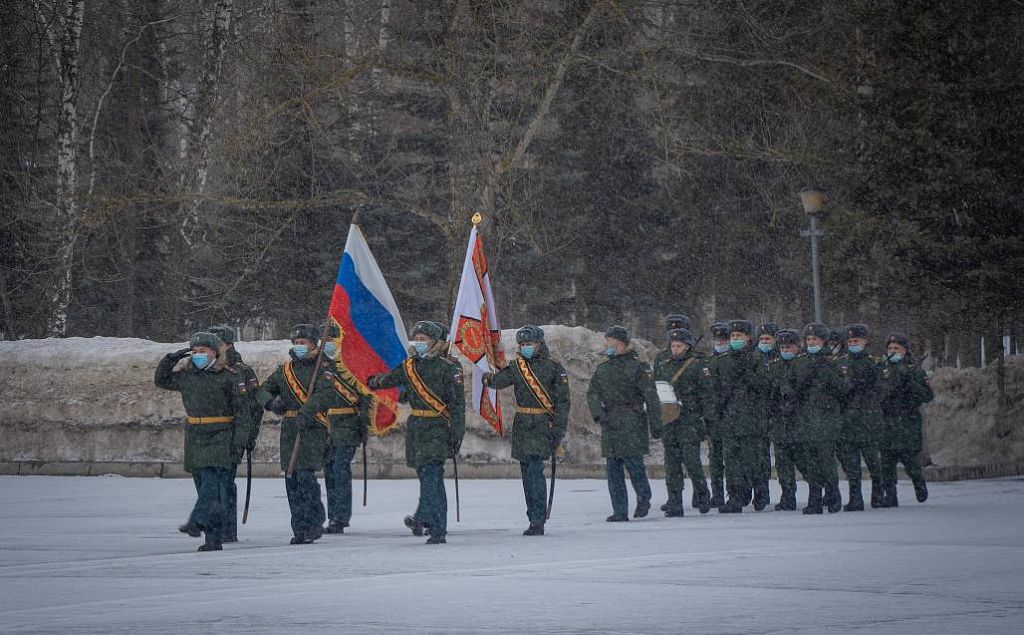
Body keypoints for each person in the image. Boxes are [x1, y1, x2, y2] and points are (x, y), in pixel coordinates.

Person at [154, 331, 254, 551]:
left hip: (220, 434)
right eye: (195, 351)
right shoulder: (187, 376)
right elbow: (160, 380)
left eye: (203, 351)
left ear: (215, 353)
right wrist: (171, 358)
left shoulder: (229, 376)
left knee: (210, 483)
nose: (198, 355)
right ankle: (213, 538)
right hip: (195, 435)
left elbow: (243, 413)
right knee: (206, 489)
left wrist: (239, 443)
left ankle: (197, 520)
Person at [368, 321, 465, 544]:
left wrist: (456, 435)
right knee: (427, 478)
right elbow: (391, 378)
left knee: (431, 477)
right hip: (417, 429)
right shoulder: (410, 364)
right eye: (417, 339)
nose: (419, 343)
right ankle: (432, 521)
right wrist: (375, 381)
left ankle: (429, 521)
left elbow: (457, 406)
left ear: (435, 341)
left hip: (438, 428)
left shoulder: (449, 367)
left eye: (424, 339)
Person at [483, 325, 571, 535]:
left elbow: (563, 401)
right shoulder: (516, 367)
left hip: (543, 424)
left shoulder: (554, 368)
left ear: (540, 344)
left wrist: (558, 430)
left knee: (534, 472)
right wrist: (486, 374)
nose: (526, 347)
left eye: (529, 344)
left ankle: (537, 518)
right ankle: (533, 515)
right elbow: (497, 382)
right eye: (522, 344)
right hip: (523, 424)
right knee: (527, 473)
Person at [256, 324, 331, 545]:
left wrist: (307, 411)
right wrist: (271, 403)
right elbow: (263, 389)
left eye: (303, 343)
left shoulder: (324, 367)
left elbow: (324, 395)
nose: (299, 347)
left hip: (312, 427)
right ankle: (299, 528)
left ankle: (313, 523)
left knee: (305, 476)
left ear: (313, 344)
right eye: (296, 343)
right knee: (291, 478)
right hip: (290, 428)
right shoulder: (285, 370)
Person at [300, 326, 373, 534]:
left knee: (340, 469)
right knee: (330, 470)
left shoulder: (351, 364)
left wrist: (364, 423)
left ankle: (340, 517)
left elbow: (365, 395)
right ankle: (332, 515)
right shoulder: (318, 366)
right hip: (324, 424)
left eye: (332, 339)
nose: (328, 343)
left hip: (347, 423)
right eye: (325, 339)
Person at [586, 325, 662, 522]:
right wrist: (598, 414)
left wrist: (656, 424)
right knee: (613, 470)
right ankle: (620, 510)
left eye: (609, 343)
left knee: (634, 465)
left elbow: (651, 397)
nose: (606, 347)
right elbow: (593, 393)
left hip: (632, 421)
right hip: (610, 421)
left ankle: (644, 497)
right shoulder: (603, 369)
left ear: (620, 344)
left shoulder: (639, 367)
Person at [206, 324, 262, 542]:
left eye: (216, 344)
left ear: (227, 345)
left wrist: (249, 436)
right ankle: (217, 526)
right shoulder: (206, 371)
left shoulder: (242, 371)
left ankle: (226, 529)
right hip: (209, 436)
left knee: (224, 481)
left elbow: (254, 407)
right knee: (211, 482)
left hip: (232, 434)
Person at [712, 319, 770, 513]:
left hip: (751, 419)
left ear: (748, 337)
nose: (735, 339)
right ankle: (735, 497)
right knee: (732, 462)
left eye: (739, 336)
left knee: (752, 461)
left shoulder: (757, 358)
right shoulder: (723, 361)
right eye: (733, 336)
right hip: (730, 419)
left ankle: (759, 492)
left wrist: (747, 372)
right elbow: (716, 389)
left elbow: (764, 386)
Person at [653, 327, 711, 516]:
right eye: (673, 346)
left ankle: (702, 494)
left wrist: (700, 415)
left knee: (691, 461)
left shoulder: (697, 365)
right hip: (670, 419)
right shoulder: (664, 365)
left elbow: (706, 394)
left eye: (679, 346)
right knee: (672, 464)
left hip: (689, 419)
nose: (675, 349)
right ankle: (675, 501)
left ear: (687, 346)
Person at [878, 332, 934, 507]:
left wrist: (909, 381)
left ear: (905, 350)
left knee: (911, 463)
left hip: (907, 424)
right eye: (890, 348)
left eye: (896, 348)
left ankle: (919, 484)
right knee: (886, 464)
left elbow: (927, 395)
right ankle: (890, 495)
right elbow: (876, 393)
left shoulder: (914, 371)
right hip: (887, 423)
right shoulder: (883, 370)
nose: (892, 351)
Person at [795, 322, 845, 514]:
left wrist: (826, 376)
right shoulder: (802, 362)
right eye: (808, 339)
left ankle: (833, 495)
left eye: (814, 339)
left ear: (823, 341)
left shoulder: (832, 363)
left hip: (826, 420)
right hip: (807, 420)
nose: (810, 342)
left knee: (826, 461)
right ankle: (814, 500)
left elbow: (842, 389)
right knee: (811, 463)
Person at [835, 324, 884, 511]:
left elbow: (881, 390)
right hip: (848, 421)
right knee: (851, 464)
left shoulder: (874, 363)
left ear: (866, 341)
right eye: (850, 341)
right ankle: (855, 498)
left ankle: (878, 493)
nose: (853, 343)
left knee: (872, 460)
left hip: (867, 419)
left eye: (856, 340)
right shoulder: (842, 362)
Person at [764, 329, 801, 510]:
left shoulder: (803, 365)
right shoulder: (774, 366)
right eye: (783, 347)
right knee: (783, 463)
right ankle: (788, 495)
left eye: (789, 347)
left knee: (805, 461)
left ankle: (822, 491)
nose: (786, 350)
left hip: (801, 421)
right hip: (780, 421)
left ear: (797, 347)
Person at [703, 321, 731, 507]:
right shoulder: (709, 362)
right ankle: (717, 494)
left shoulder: (734, 361)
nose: (720, 342)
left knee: (731, 459)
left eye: (723, 339)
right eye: (717, 339)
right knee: (715, 460)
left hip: (730, 416)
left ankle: (735, 493)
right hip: (713, 418)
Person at [753, 321, 779, 508]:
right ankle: (761, 493)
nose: (764, 341)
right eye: (761, 338)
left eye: (767, 338)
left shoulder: (782, 358)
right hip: (758, 413)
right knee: (760, 456)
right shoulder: (753, 357)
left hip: (780, 413)